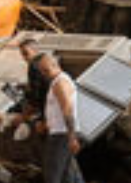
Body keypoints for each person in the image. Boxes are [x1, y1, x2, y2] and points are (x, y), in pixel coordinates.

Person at [40, 53, 83, 183]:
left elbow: (67, 108)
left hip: (62, 134)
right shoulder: (56, 82)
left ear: (55, 65)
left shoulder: (60, 82)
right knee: (68, 175)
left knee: (53, 174)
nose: (43, 73)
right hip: (60, 133)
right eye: (42, 70)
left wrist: (71, 136)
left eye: (46, 69)